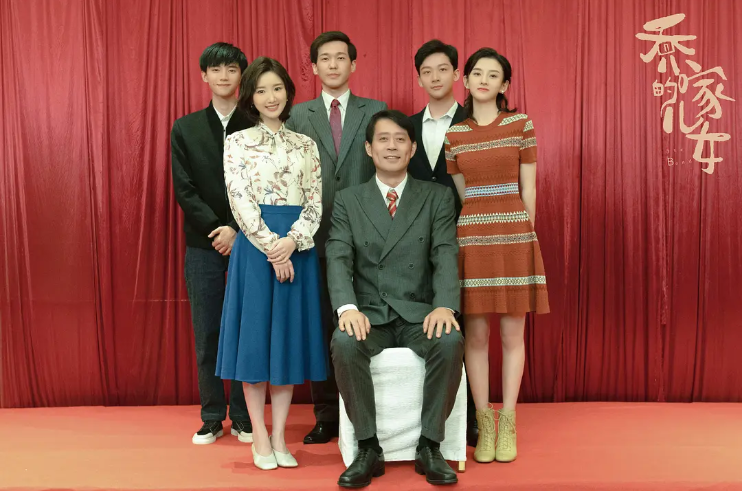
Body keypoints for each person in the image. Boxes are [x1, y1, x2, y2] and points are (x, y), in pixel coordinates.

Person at [328, 110, 464, 487]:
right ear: (369, 148)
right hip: (370, 313)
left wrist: (444, 305)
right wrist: (347, 308)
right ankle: (368, 447)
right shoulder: (348, 200)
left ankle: (430, 446)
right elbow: (338, 256)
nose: (392, 146)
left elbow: (445, 253)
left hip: (420, 312)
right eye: (383, 139)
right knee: (344, 342)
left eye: (400, 139)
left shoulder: (436, 196)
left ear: (412, 148)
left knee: (450, 340)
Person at [215, 57, 327, 470]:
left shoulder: (306, 144)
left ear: (288, 92)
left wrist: (292, 242)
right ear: (250, 97)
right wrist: (272, 248)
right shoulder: (237, 142)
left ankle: (280, 435)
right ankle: (259, 437)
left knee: (287, 344)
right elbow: (239, 200)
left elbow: (315, 202)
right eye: (261, 90)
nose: (270, 97)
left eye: (276, 88)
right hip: (255, 249)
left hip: (298, 247)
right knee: (255, 342)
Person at [445, 48, 550, 464]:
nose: (484, 80)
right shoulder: (455, 135)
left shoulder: (521, 125)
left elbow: (530, 189)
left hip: (513, 235)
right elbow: (464, 195)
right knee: (475, 337)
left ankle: (508, 420)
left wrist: (524, 234)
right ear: (466, 80)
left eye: (493, 75)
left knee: (511, 335)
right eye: (477, 73)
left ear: (504, 84)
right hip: (472, 238)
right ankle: (484, 422)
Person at [285, 31, 387, 445]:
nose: (332, 64)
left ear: (353, 64)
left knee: (367, 323)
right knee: (323, 327)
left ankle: (368, 412)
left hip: (369, 240)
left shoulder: (376, 111)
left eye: (340, 57)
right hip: (312, 239)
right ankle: (327, 414)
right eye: (324, 58)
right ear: (313, 67)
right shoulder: (297, 115)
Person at [170, 42, 252, 445]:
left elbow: (262, 185)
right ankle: (211, 415)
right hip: (203, 244)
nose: (223, 76)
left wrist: (237, 228)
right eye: (216, 69)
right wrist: (217, 230)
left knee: (245, 329)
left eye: (231, 69)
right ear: (204, 75)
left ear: (242, 76)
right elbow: (184, 189)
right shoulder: (185, 127)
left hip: (249, 241)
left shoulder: (255, 123)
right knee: (207, 331)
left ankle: (243, 415)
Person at [408, 38, 479, 447]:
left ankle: (468, 418)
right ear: (418, 79)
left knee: (466, 326)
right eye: (426, 71)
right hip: (416, 243)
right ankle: (420, 416)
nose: (434, 77)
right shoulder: (405, 128)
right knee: (428, 323)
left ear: (457, 75)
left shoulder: (476, 122)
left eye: (442, 69)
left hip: (468, 236)